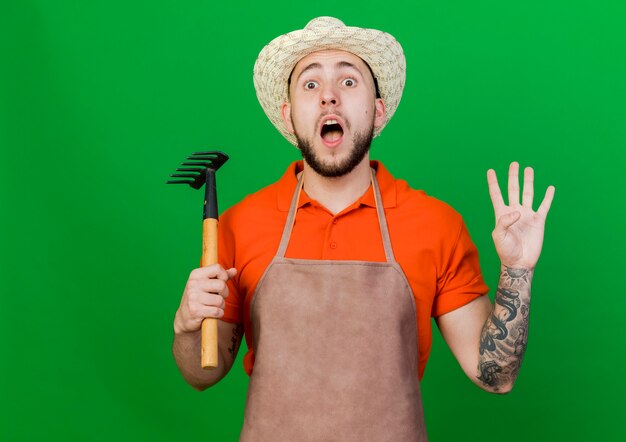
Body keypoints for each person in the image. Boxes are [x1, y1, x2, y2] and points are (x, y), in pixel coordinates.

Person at [172, 17, 555, 441]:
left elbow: (495, 375)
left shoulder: (434, 223)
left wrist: (517, 272)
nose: (329, 97)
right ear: (289, 115)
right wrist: (187, 324)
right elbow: (202, 373)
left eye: (349, 82)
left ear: (377, 111)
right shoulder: (239, 224)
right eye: (310, 84)